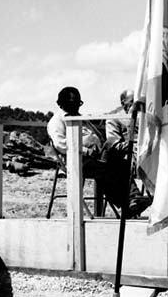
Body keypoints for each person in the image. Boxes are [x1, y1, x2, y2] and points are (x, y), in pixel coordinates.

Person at [46, 86, 142, 215]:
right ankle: (128, 205)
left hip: (95, 156)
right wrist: (86, 150)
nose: (77, 107)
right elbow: (61, 145)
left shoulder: (81, 118)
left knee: (120, 162)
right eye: (73, 103)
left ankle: (134, 198)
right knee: (106, 169)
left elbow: (97, 135)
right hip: (77, 158)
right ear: (61, 103)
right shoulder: (57, 121)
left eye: (79, 103)